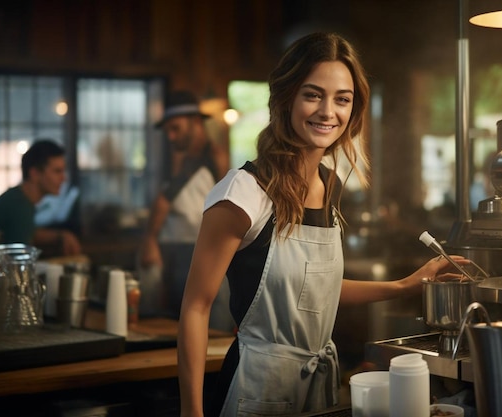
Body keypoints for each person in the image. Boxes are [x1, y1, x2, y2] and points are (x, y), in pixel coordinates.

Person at [177, 32, 467, 417]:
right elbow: (195, 309)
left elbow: (314, 289)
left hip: (317, 392)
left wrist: (407, 284)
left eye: (342, 99)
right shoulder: (243, 193)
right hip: (253, 390)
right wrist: (191, 413)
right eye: (313, 94)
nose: (328, 112)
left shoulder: (329, 184)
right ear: (286, 97)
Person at [139, 91, 232, 330]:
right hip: (170, 247)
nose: (170, 136)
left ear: (196, 122)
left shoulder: (214, 157)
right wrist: (151, 241)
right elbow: (162, 200)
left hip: (202, 247)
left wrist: (149, 238)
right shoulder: (176, 158)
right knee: (173, 322)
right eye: (168, 130)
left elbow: (227, 204)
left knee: (207, 322)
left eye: (176, 129)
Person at [0, 139, 82, 255]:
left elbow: (27, 230)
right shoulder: (20, 206)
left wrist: (61, 235)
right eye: (57, 171)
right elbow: (18, 263)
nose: (63, 179)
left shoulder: (19, 198)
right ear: (34, 174)